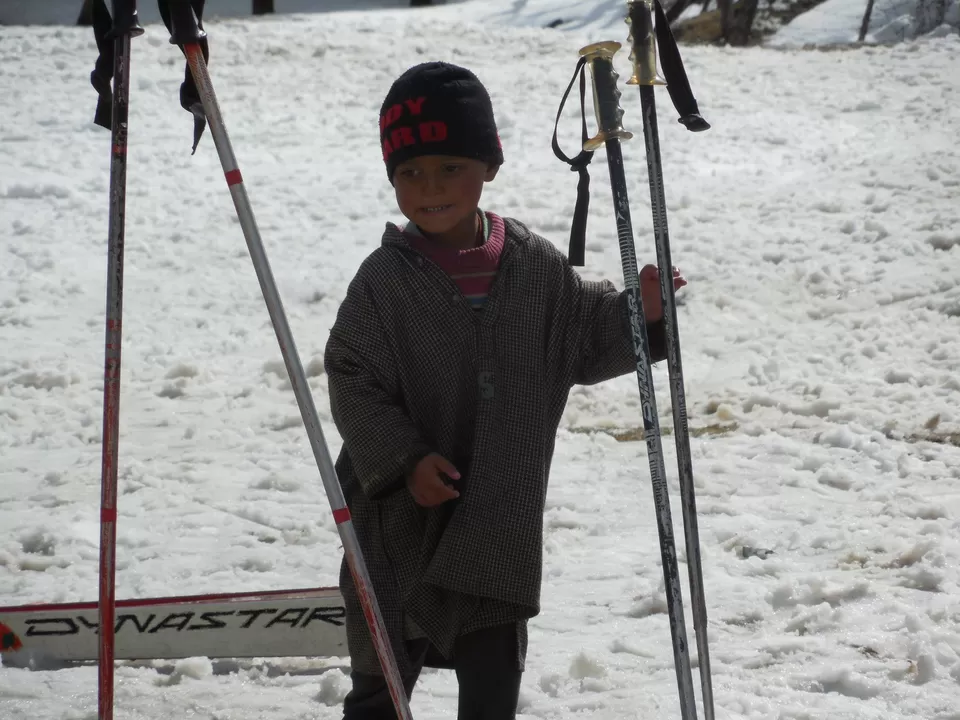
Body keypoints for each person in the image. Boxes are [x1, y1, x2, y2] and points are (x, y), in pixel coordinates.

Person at [324, 61, 686, 720]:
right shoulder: (381, 283)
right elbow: (352, 377)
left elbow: (582, 331)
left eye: (450, 167)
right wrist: (404, 461)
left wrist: (645, 311)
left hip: (496, 524)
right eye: (410, 173)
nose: (430, 188)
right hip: (396, 529)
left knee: (491, 682)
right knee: (381, 683)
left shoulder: (533, 266)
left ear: (488, 166)